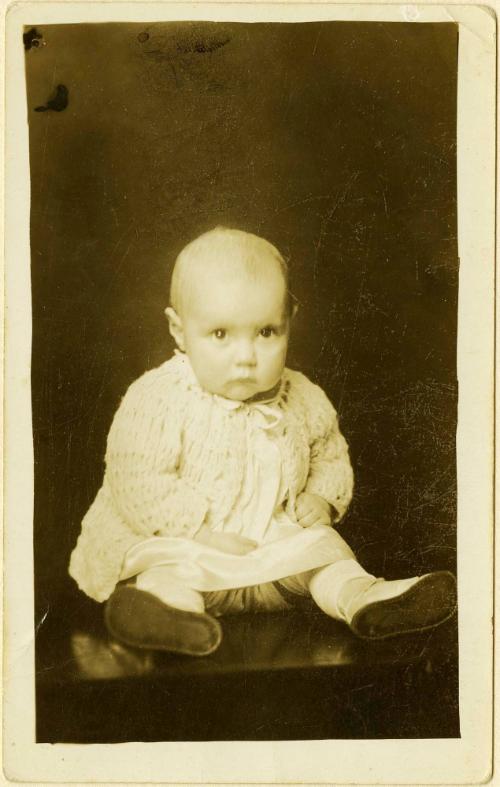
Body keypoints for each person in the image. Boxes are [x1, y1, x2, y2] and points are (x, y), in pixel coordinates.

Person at [69, 226, 456, 655]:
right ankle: (169, 616)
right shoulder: (159, 397)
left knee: (326, 554)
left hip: (270, 558)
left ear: (289, 321)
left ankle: (365, 599)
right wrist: (197, 531)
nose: (246, 356)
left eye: (266, 332)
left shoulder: (303, 396)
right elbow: (137, 480)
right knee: (165, 567)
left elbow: (329, 452)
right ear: (179, 331)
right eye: (220, 334)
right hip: (193, 547)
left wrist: (321, 497)